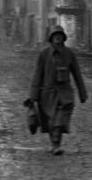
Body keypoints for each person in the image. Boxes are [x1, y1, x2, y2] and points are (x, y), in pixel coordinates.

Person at [28, 26, 88, 155]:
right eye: (55, 35)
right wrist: (33, 95)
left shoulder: (69, 54)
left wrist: (83, 93)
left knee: (59, 120)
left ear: (63, 38)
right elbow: (37, 74)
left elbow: (77, 74)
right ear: (51, 38)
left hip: (64, 92)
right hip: (47, 93)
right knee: (51, 121)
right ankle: (54, 143)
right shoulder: (44, 54)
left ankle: (56, 144)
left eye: (60, 35)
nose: (58, 37)